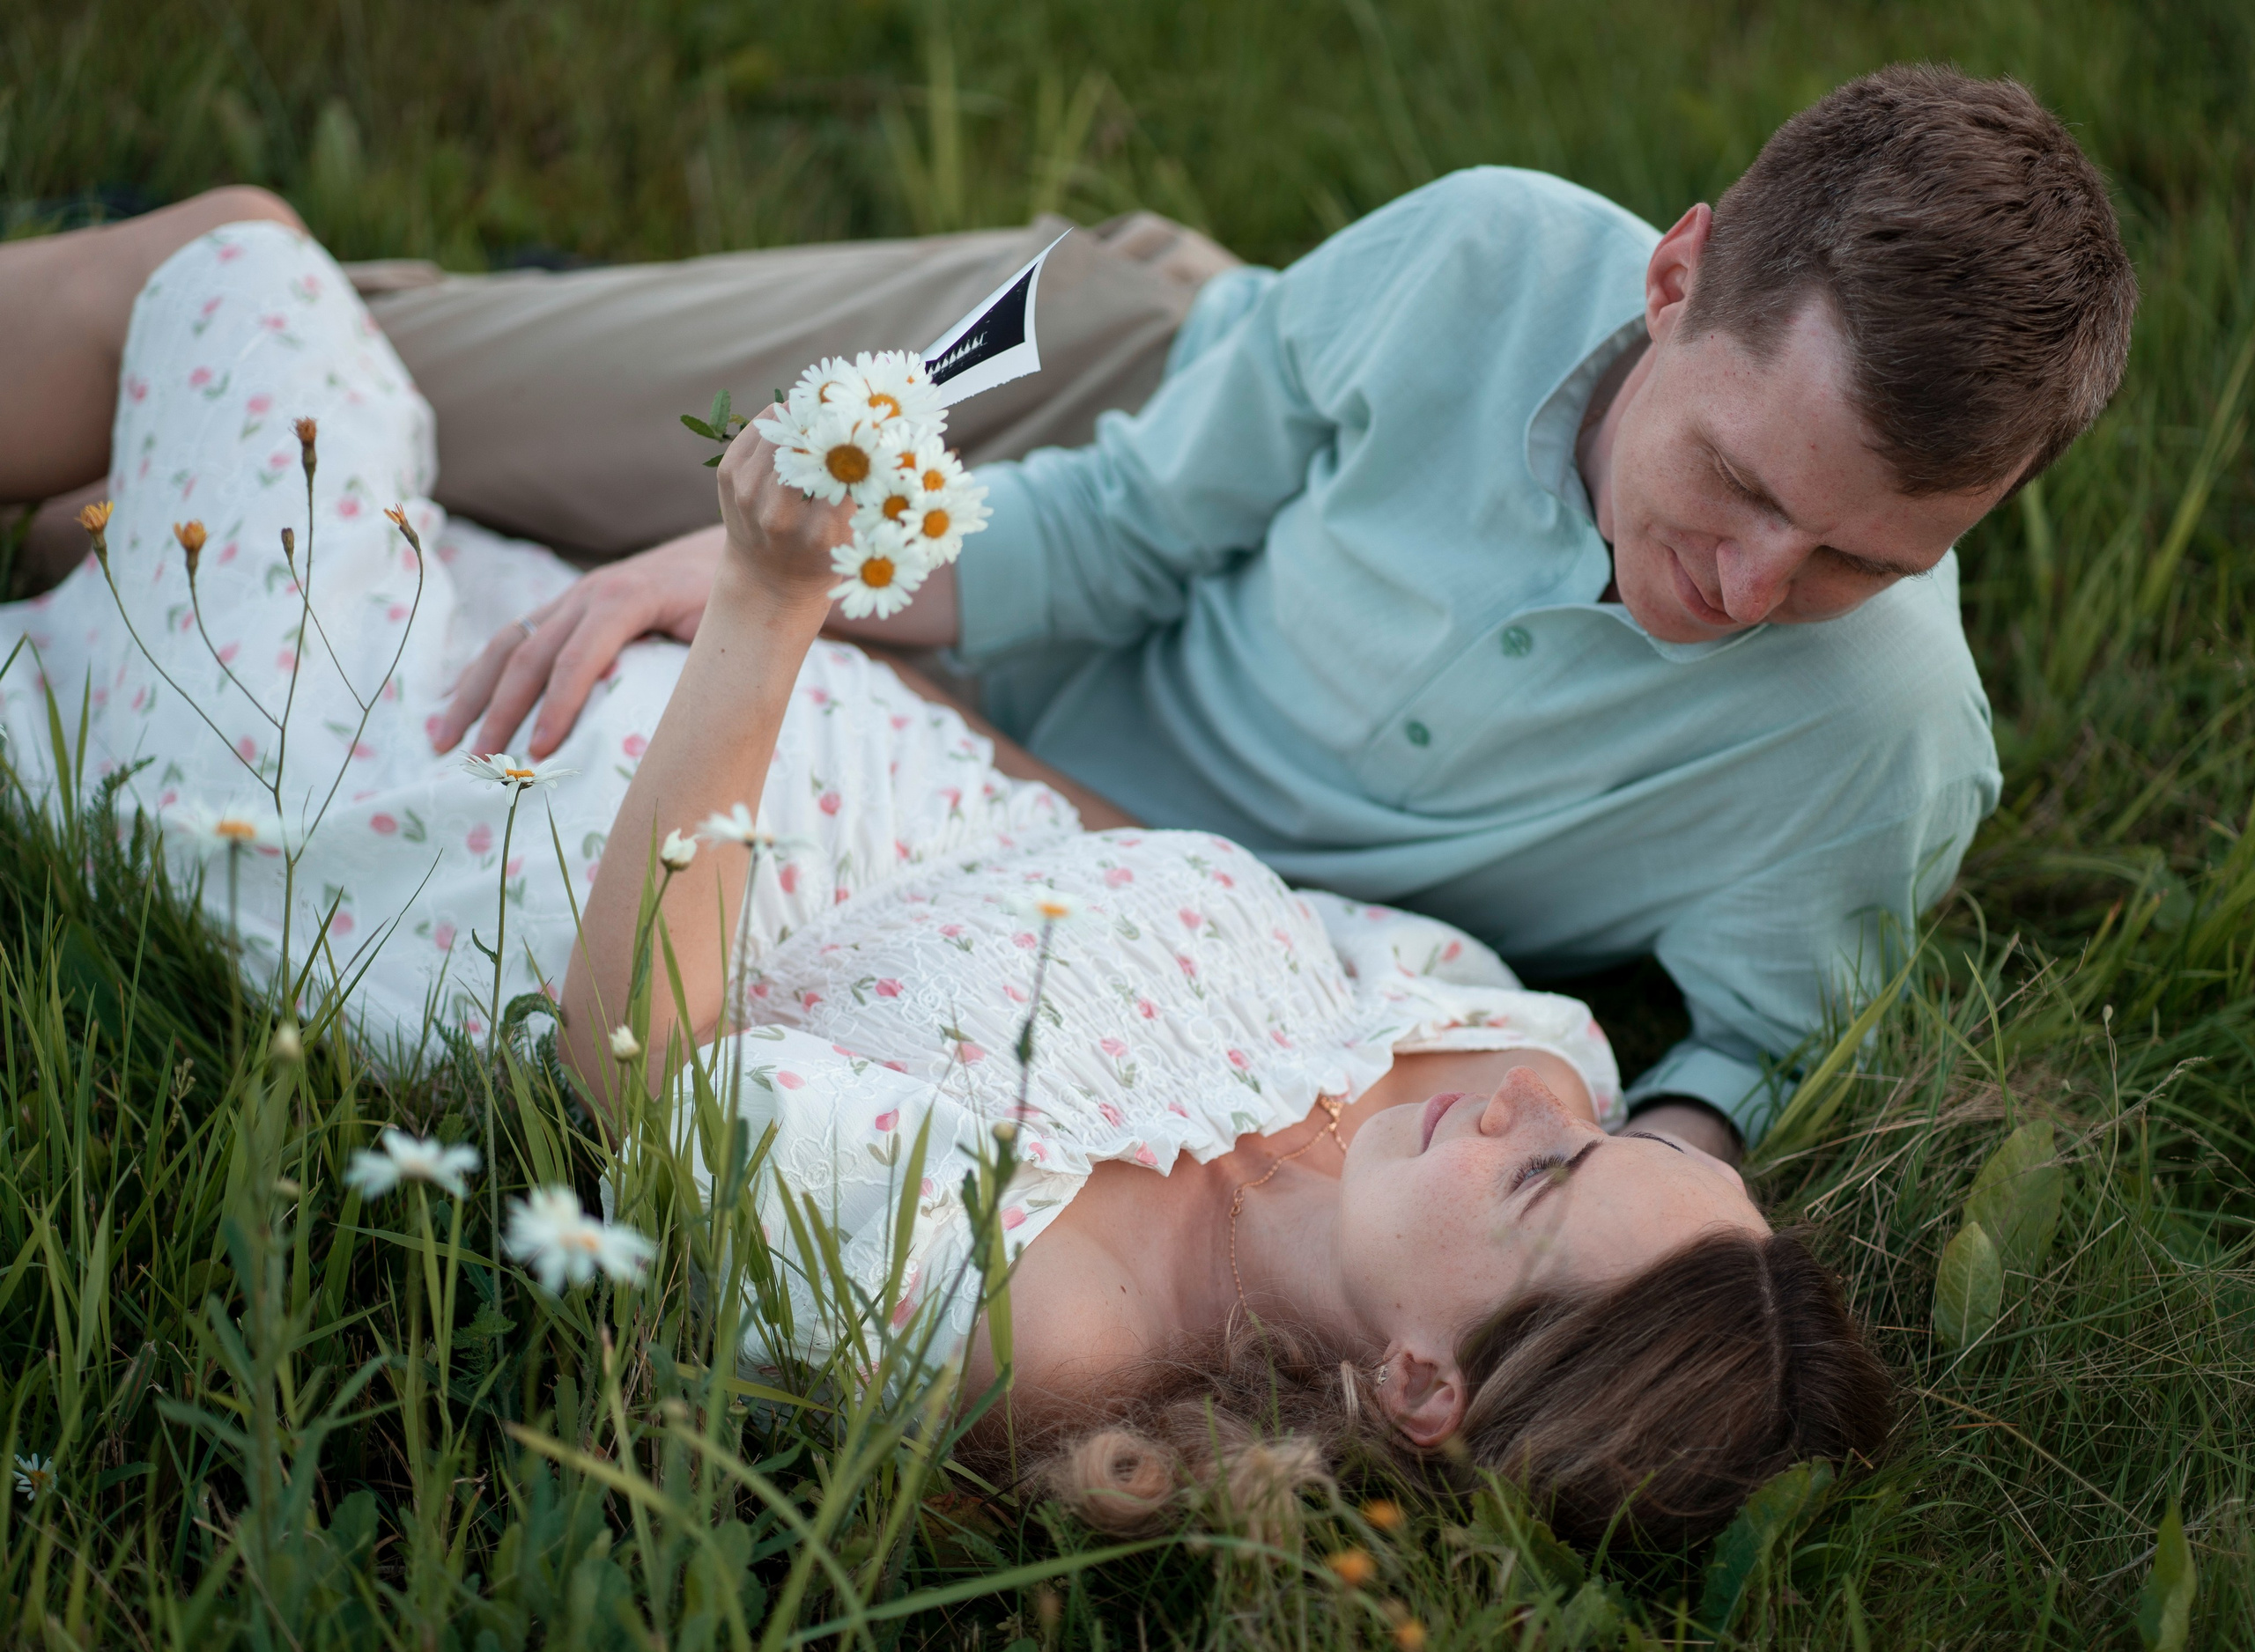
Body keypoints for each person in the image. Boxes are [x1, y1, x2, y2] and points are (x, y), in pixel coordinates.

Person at [0, 210, 1889, 1549]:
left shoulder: (1039, 1318)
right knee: (209, 377)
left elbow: (637, 1070)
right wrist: (827, 647)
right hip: (665, 660)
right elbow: (1079, 835)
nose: (1528, 1109)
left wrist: (765, 605)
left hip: (401, 794)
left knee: (230, 267)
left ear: (1419, 1390)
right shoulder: (1472, 1050)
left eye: (1549, 1179)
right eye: (1604, 1130)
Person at [169, 62, 2119, 1167]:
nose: (1755, 591)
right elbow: (1107, 534)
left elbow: (1742, 1062)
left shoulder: (1881, 743)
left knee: (370, 536)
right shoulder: (1478, 250)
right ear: (1670, 278)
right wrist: (774, 573)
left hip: (1043, 827)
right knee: (359, 350)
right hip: (1101, 387)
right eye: (1743, 490)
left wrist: (1649, 1179)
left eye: (1865, 556)